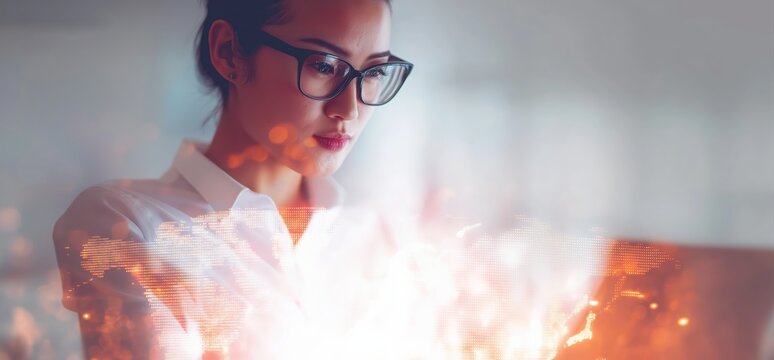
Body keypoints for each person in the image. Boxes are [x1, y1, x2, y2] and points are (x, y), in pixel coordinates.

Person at [52, 0, 412, 358]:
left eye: (376, 72)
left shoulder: (371, 235)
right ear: (229, 53)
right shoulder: (123, 225)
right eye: (323, 65)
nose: (349, 109)